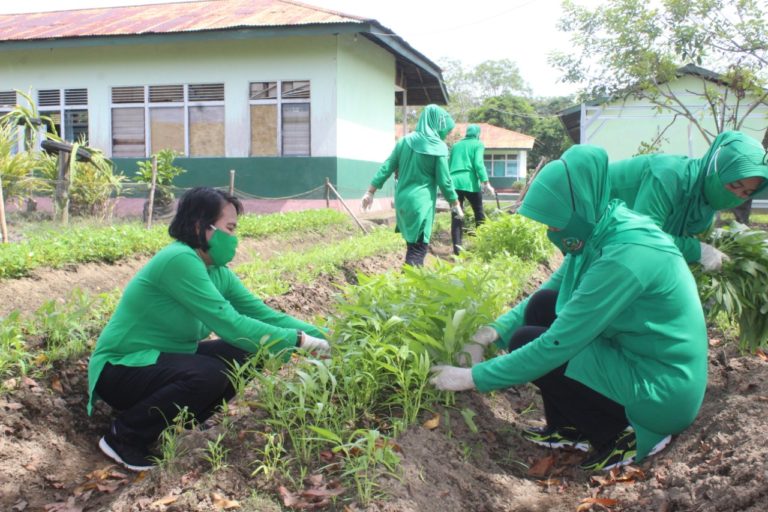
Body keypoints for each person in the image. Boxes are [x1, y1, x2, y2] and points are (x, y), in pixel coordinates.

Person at [429, 145, 708, 472]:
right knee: (544, 307)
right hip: (640, 359)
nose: (552, 234)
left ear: (580, 211)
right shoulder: (600, 228)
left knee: (531, 341)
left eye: (557, 225)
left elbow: (558, 343)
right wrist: (488, 334)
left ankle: (620, 436)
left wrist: (472, 378)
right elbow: (547, 294)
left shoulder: (625, 256)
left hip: (662, 393)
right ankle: (571, 428)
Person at [87, 187, 329, 472]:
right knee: (208, 375)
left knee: (249, 350)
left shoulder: (217, 272)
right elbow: (229, 323)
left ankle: (173, 426)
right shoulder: (179, 260)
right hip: (122, 368)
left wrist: (324, 337)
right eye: (229, 228)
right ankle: (124, 436)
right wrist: (299, 341)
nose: (234, 237)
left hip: (160, 362)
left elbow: (264, 314)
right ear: (201, 226)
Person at [609, 131, 768, 271]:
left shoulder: (704, 200)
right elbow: (643, 239)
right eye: (734, 185)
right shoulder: (668, 176)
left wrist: (723, 238)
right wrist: (696, 250)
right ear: (715, 170)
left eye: (746, 192)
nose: (736, 196)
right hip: (589, 218)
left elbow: (677, 235)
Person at [361, 104, 464, 266]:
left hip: (402, 202)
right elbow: (444, 181)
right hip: (420, 205)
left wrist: (370, 191)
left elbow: (387, 167)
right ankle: (407, 288)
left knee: (412, 246)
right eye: (446, 130)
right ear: (437, 124)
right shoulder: (438, 147)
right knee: (418, 251)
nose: (446, 134)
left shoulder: (404, 141)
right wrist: (455, 202)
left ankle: (411, 285)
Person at [448, 124, 495, 255]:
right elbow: (478, 163)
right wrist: (486, 183)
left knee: (456, 216)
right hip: (470, 182)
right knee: (479, 213)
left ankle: (457, 252)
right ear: (477, 134)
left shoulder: (456, 146)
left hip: (454, 183)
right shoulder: (478, 144)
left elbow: (449, 164)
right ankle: (482, 245)